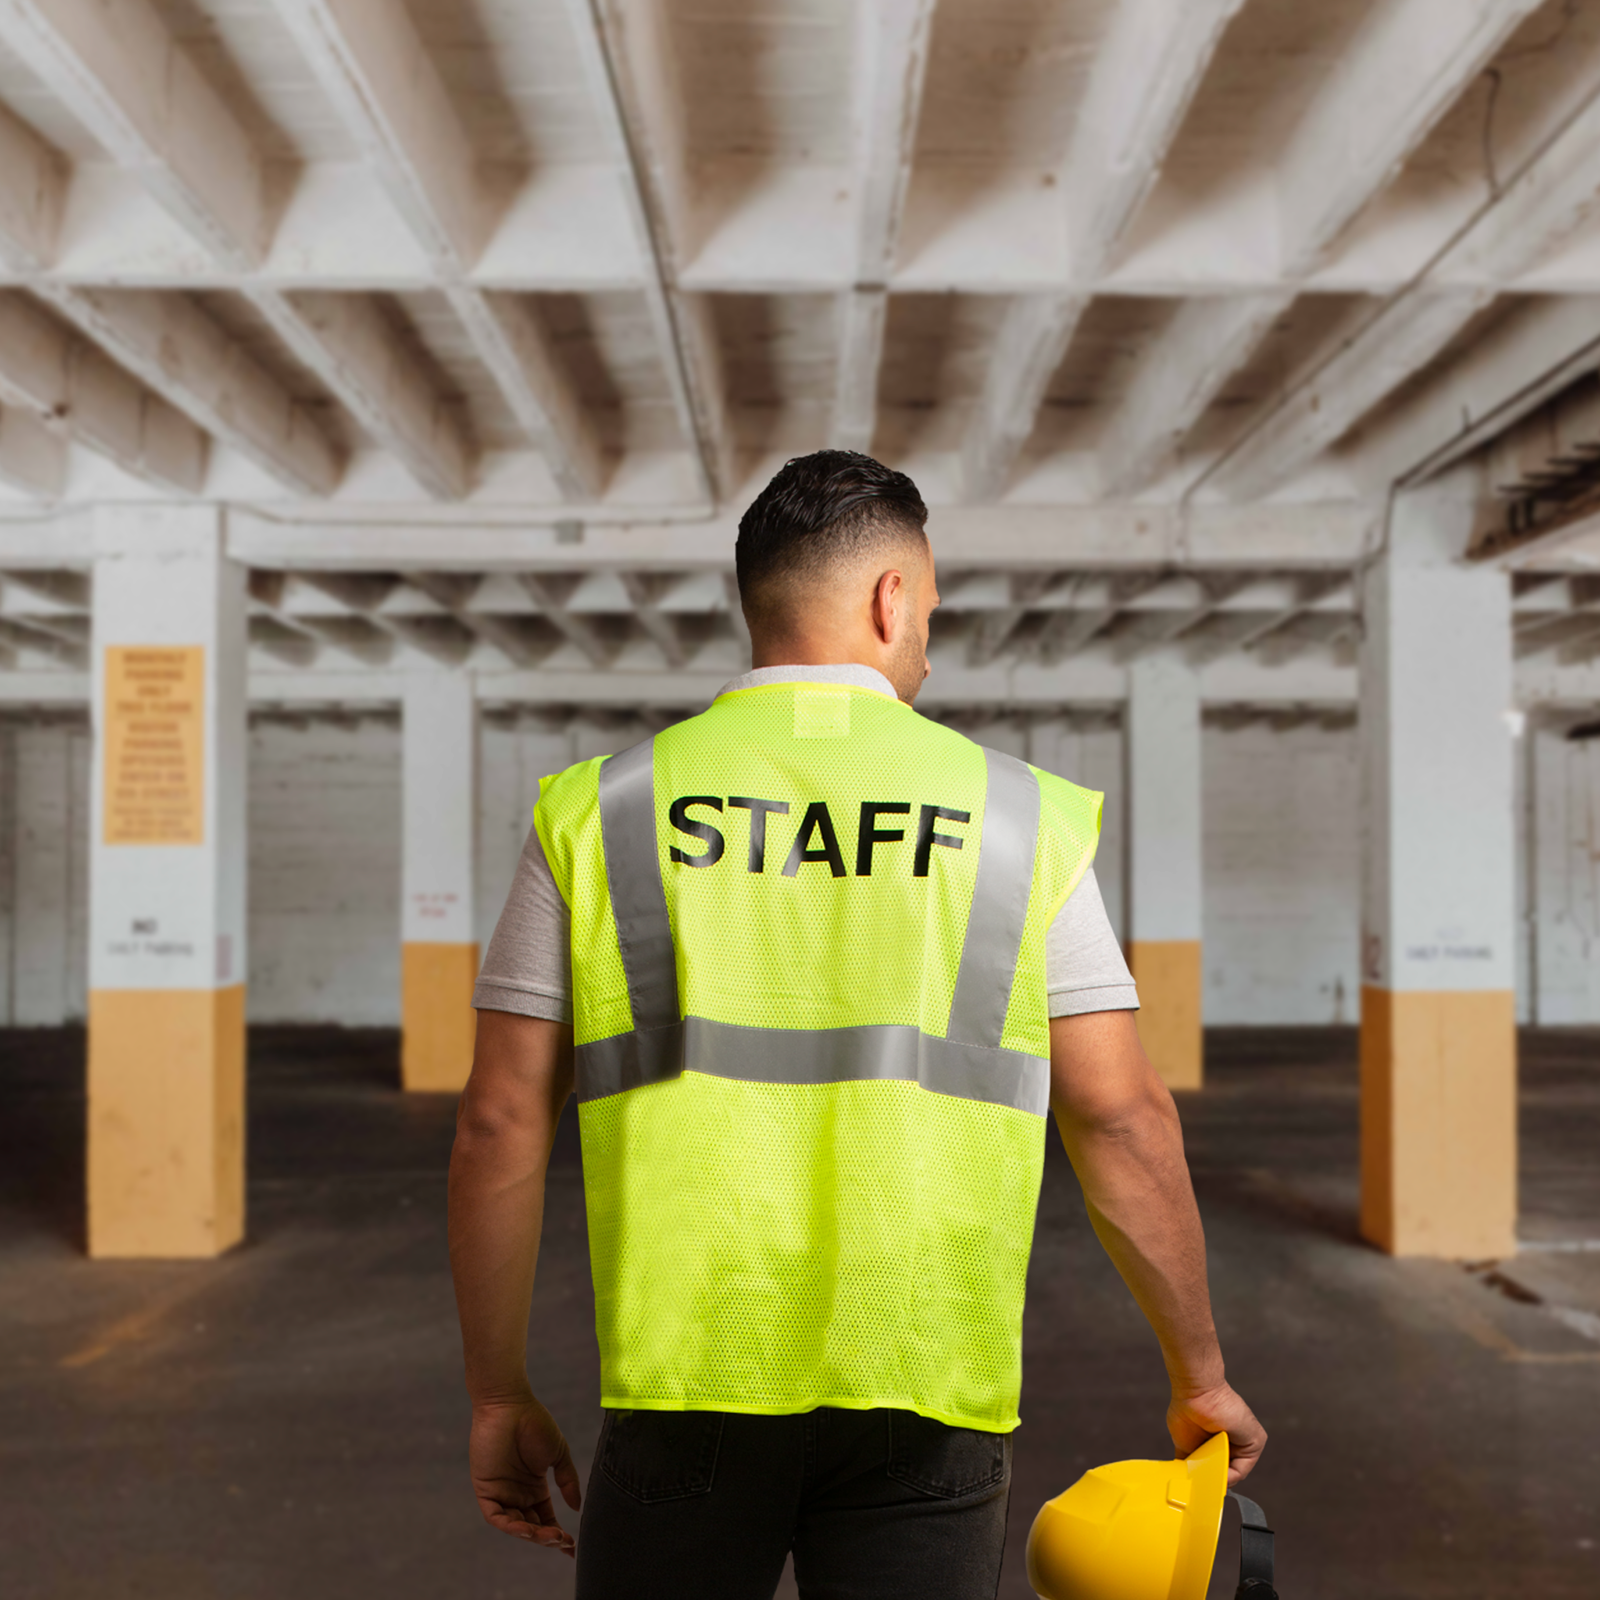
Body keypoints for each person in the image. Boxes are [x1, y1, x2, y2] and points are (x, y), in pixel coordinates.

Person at [448, 450, 1265, 1600]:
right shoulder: (1019, 819)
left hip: (689, 1378)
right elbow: (1121, 1116)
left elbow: (497, 1122)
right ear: (890, 596)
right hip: (926, 1376)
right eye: (929, 607)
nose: (928, 636)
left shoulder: (600, 809)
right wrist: (1199, 1371)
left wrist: (497, 1394)